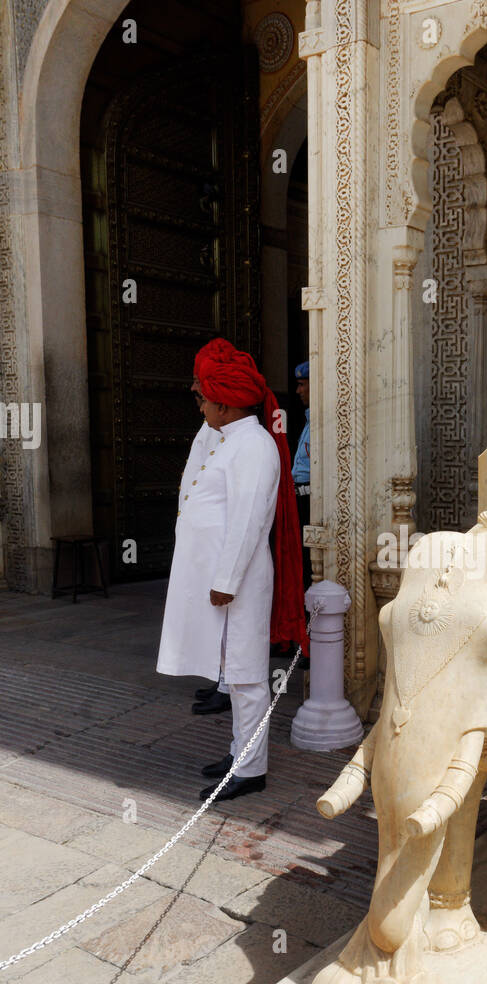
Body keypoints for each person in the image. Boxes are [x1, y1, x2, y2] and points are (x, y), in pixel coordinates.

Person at [157, 338, 307, 802]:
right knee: (233, 670)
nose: (200, 404)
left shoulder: (254, 446)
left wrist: (225, 581)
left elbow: (248, 519)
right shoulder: (229, 438)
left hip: (238, 582)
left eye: (204, 397)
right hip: (226, 581)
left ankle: (251, 769)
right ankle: (241, 753)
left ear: (224, 405)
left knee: (245, 676)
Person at [292, 360, 312, 592]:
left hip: (310, 499)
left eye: (301, 384)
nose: (298, 391)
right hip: (299, 496)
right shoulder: (309, 420)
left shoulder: (323, 422)